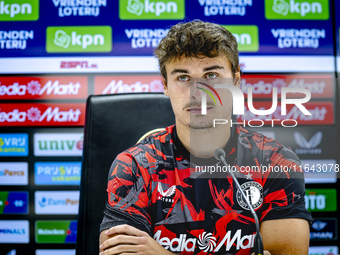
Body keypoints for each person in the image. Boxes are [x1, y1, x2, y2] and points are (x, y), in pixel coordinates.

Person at [99, 20, 312, 255]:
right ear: (165, 86)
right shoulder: (135, 166)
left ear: (236, 81)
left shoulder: (275, 162)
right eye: (182, 77)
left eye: (211, 75)